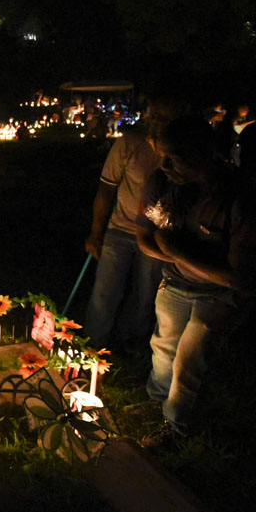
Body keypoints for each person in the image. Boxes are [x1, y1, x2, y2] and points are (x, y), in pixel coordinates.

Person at [135, 116, 256, 448]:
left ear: (204, 152)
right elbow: (144, 236)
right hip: (177, 283)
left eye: (175, 156)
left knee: (189, 358)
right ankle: (156, 403)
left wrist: (177, 252)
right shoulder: (162, 182)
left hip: (221, 294)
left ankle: (176, 429)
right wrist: (179, 258)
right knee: (164, 347)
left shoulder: (244, 196)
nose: (165, 165)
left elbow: (239, 277)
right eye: (162, 155)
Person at [82, 96, 183, 350]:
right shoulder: (129, 144)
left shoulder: (181, 151)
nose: (158, 120)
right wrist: (96, 233)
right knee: (105, 292)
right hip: (120, 230)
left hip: (157, 236)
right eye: (156, 114)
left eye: (166, 116)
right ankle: (93, 346)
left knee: (146, 294)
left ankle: (131, 344)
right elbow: (106, 191)